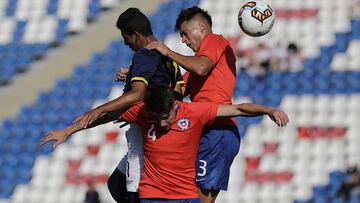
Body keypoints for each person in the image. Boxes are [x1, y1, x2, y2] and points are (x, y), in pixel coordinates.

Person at [41, 85, 289, 203]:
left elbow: (238, 108)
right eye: (155, 120)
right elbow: (105, 116)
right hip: (153, 197)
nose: (161, 125)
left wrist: (269, 110)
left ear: (174, 106)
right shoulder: (142, 112)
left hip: (187, 197)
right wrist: (68, 130)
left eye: (166, 119)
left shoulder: (194, 112)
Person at [72, 8, 184, 203]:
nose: (125, 43)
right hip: (163, 126)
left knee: (131, 185)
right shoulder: (168, 57)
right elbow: (178, 91)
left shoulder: (143, 55)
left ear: (136, 35)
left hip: (146, 129)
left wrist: (99, 109)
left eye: (126, 37)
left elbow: (138, 93)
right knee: (118, 183)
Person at [145, 6, 246, 203]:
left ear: (201, 27)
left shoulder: (215, 42)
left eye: (184, 33)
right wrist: (138, 78)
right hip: (205, 131)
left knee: (198, 199)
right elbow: (176, 93)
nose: (183, 39)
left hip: (218, 130)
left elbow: (201, 67)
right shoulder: (196, 65)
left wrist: (167, 51)